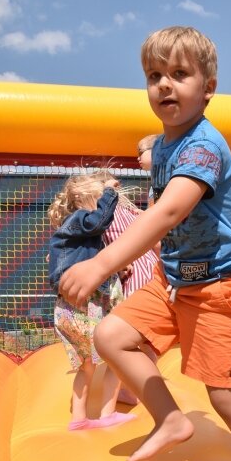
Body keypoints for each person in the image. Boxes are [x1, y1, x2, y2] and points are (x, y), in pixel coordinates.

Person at [59, 26, 231, 461]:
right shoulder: (167, 145)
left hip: (218, 287)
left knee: (226, 396)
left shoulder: (203, 148)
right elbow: (159, 179)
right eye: (154, 75)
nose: (165, 85)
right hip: (173, 280)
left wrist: (102, 264)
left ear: (208, 88)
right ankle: (171, 419)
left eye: (180, 74)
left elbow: (168, 212)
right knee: (110, 337)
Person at [47, 173, 137, 431]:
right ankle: (107, 413)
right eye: (100, 200)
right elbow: (98, 221)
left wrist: (117, 270)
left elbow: (90, 259)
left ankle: (79, 419)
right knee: (116, 356)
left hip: (74, 306)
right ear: (88, 199)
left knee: (86, 365)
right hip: (91, 304)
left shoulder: (76, 234)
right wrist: (109, 192)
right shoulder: (78, 220)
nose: (106, 207)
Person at [94, 168, 160, 406]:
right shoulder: (122, 212)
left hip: (142, 275)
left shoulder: (119, 212)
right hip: (145, 275)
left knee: (141, 336)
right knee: (143, 336)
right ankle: (131, 388)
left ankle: (133, 387)